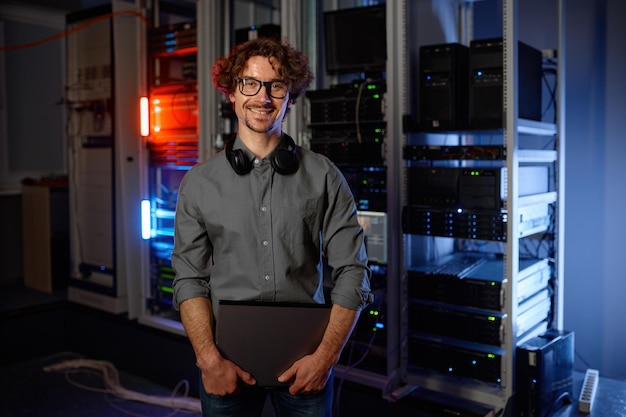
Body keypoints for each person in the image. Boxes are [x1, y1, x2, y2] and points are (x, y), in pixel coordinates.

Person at [171, 37, 372, 417]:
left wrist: (325, 358)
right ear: (232, 92)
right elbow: (188, 278)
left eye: (276, 85)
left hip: (306, 362)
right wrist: (209, 361)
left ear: (290, 98)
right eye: (249, 83)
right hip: (224, 361)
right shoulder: (198, 183)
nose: (262, 97)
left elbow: (353, 272)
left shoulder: (324, 175)